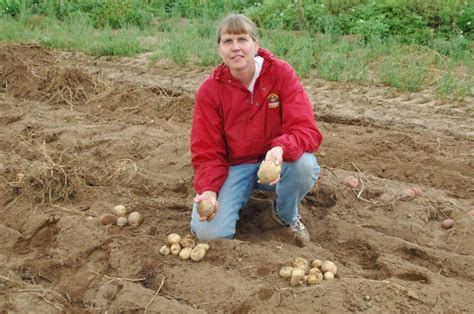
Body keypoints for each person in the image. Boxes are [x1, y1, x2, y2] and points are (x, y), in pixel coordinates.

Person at [190, 14, 322, 244]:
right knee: (209, 235)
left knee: (304, 165)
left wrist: (280, 148)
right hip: (235, 166)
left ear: (256, 45)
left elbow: (306, 129)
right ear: (219, 49)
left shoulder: (280, 74)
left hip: (275, 164)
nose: (236, 48)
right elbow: (207, 150)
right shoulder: (210, 91)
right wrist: (209, 190)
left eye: (242, 39)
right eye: (228, 41)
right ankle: (235, 195)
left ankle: (284, 216)